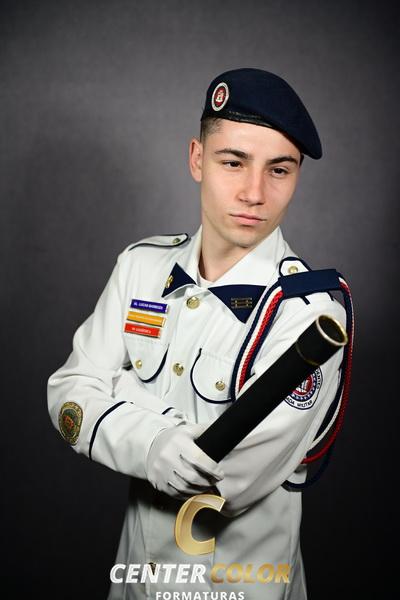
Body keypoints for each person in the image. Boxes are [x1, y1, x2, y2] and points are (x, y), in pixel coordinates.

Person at [47, 68, 352, 600]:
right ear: (196, 159)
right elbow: (68, 393)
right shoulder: (141, 267)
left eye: (279, 170)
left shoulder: (308, 315)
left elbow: (220, 482)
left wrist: (118, 394)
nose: (254, 193)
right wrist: (155, 442)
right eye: (233, 162)